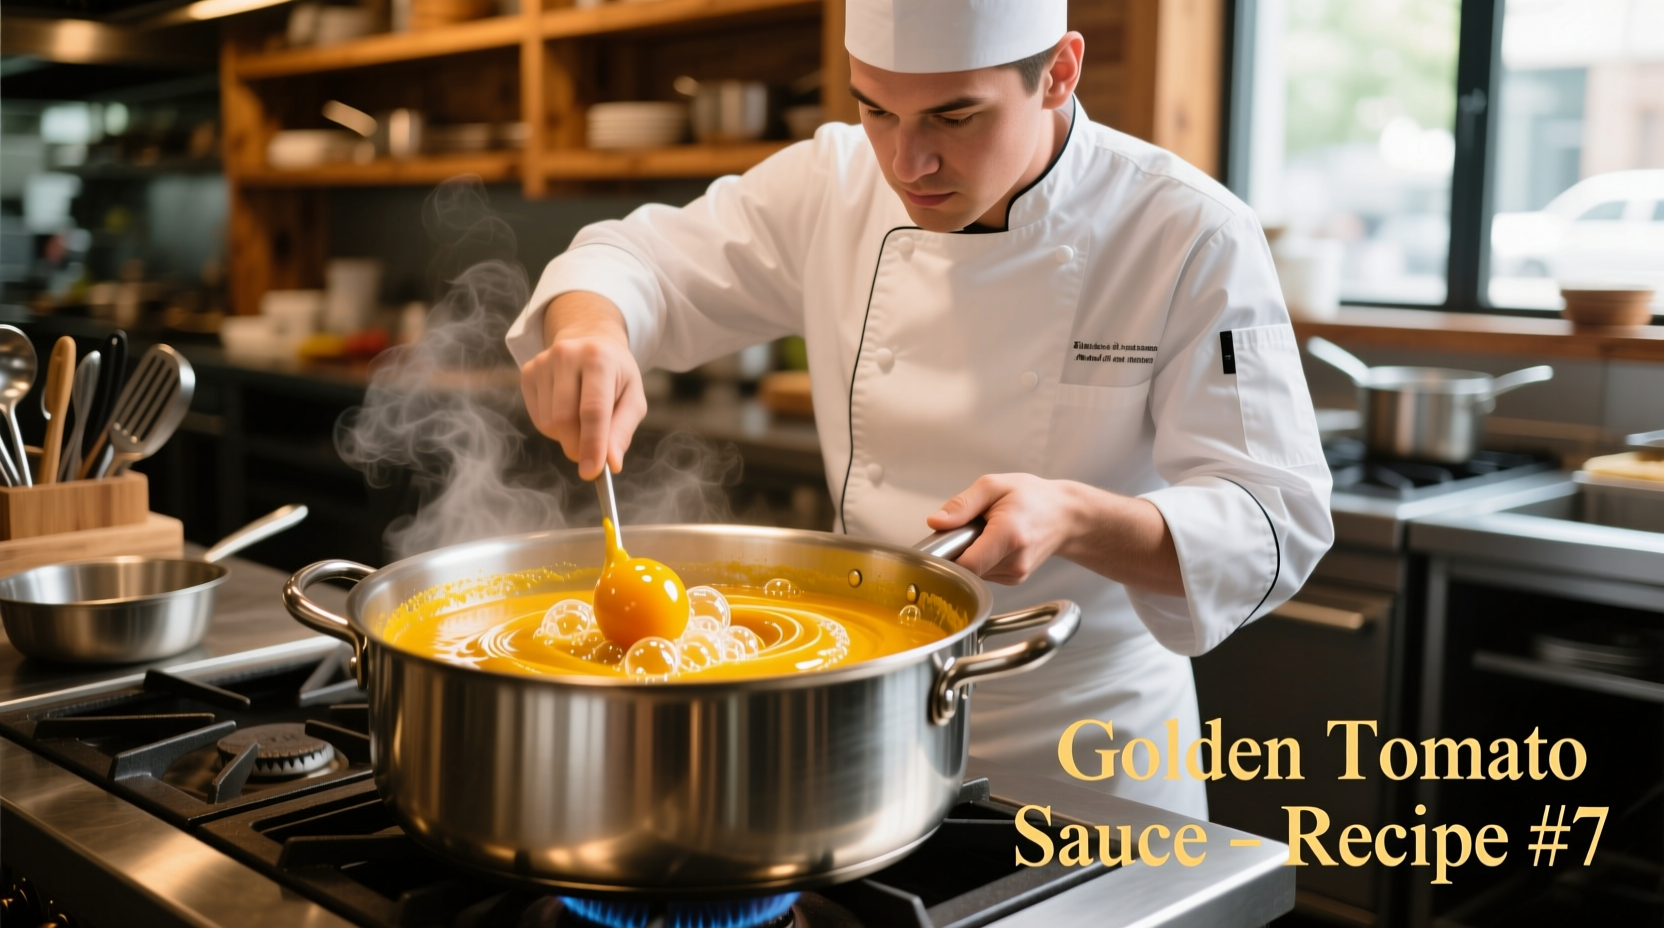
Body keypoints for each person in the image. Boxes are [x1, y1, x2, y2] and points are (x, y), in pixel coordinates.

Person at [508, 0, 1332, 818]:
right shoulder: (832, 182)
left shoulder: (1188, 232)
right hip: (869, 725)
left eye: (955, 116)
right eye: (876, 109)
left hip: (1089, 747)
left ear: (1058, 73)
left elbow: (1276, 518)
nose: (908, 163)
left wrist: (1076, 518)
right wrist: (592, 333)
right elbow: (632, 259)